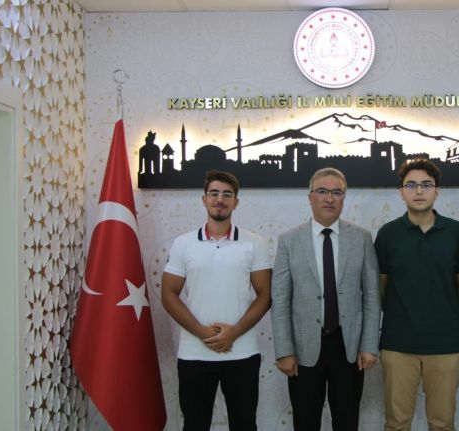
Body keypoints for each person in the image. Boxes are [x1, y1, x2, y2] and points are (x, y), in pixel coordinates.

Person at [271, 167, 381, 431]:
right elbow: (280, 300)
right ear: (310, 197)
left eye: (336, 192)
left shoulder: (362, 238)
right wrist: (284, 350)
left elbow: (371, 296)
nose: (329, 198)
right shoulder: (289, 240)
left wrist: (369, 345)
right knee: (305, 422)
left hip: (349, 347)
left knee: (347, 421)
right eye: (322, 191)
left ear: (344, 198)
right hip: (304, 348)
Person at [161, 170, 272, 431]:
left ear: (236, 202)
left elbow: (265, 295)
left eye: (227, 194)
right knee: (194, 425)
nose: (219, 199)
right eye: (214, 193)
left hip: (242, 352)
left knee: (245, 425)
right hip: (194, 352)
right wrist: (201, 332)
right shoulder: (183, 243)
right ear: (204, 199)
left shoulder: (255, 243)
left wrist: (233, 333)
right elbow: (168, 294)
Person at [374, 158, 459, 431]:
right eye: (411, 185)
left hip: (445, 343)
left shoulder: (455, 232)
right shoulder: (388, 234)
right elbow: (380, 286)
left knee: (442, 423)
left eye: (426, 185)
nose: (419, 191)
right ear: (401, 192)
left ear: (436, 191)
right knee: (397, 423)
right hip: (397, 343)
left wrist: (445, 311)